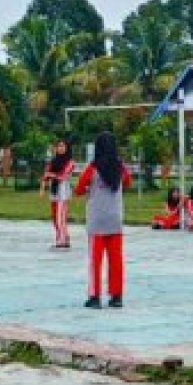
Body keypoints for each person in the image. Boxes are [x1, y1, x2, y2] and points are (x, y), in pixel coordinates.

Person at [75, 132, 131, 309]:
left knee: (95, 260)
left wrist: (90, 190)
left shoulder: (92, 168)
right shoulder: (121, 168)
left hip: (97, 220)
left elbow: (78, 189)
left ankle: (95, 297)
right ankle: (116, 296)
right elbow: (128, 183)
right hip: (115, 219)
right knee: (116, 260)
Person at [41, 139, 76, 248]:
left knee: (60, 216)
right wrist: (42, 188)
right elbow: (45, 175)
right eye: (59, 146)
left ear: (67, 148)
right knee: (54, 216)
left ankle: (62, 239)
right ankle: (64, 236)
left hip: (63, 193)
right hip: (54, 192)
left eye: (62, 146)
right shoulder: (53, 161)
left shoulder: (70, 162)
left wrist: (50, 174)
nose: (60, 148)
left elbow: (62, 176)